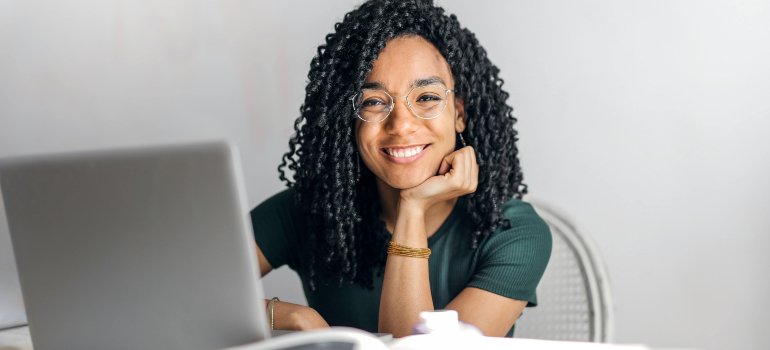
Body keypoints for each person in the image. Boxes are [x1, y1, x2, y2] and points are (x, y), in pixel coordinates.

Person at [250, 0, 551, 338]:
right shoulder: (309, 210)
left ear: (459, 113)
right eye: (374, 102)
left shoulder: (514, 232)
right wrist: (290, 317)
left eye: (426, 98)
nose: (402, 125)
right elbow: (183, 289)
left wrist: (413, 208)